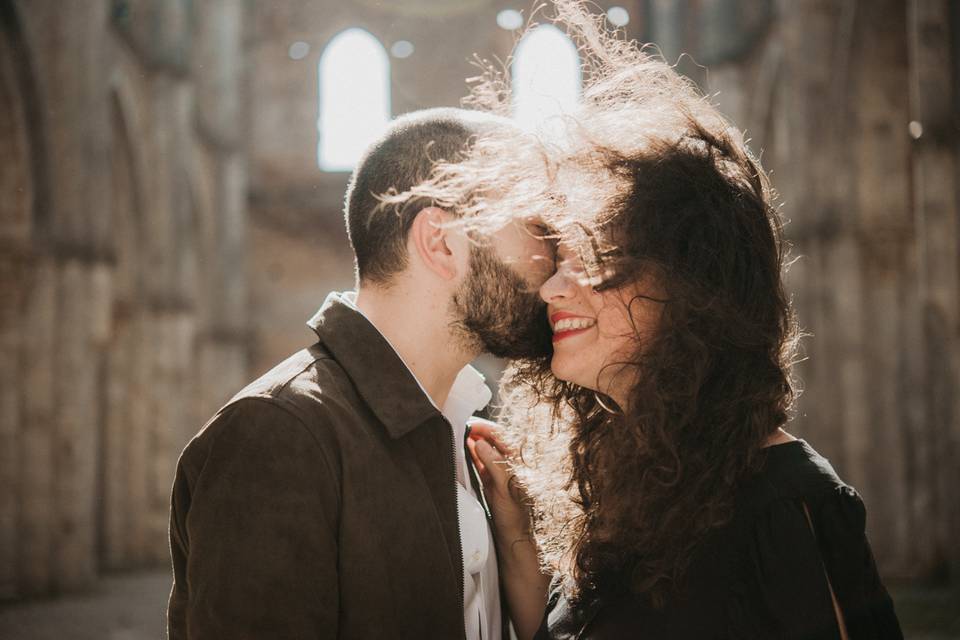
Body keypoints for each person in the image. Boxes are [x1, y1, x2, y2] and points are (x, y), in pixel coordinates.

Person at [425, 3, 905, 639]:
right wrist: (518, 542)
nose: (552, 288)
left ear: (691, 287)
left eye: (592, 260)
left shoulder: (785, 505)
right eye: (558, 261)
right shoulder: (636, 486)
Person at [166, 107, 555, 639]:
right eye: (536, 225)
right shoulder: (277, 435)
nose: (555, 258)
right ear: (441, 242)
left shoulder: (462, 431)